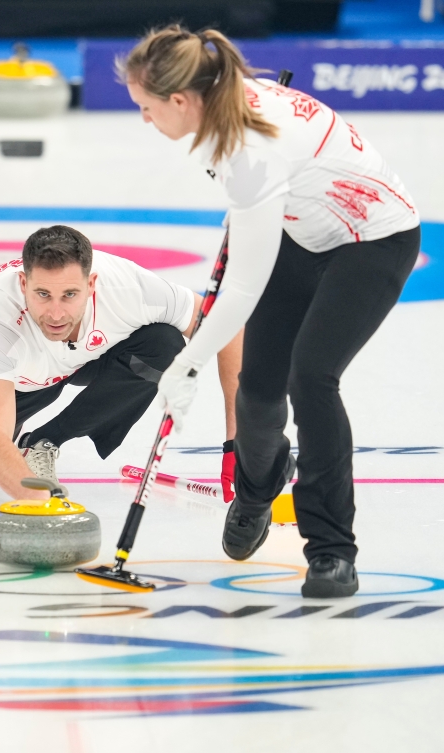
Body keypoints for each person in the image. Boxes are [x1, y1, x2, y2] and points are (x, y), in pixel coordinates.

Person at [121, 26, 420, 598]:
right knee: (258, 393)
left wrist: (188, 362)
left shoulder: (249, 150)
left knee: (310, 378)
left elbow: (243, 286)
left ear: (181, 101)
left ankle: (332, 551)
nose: (144, 119)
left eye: (146, 107)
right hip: (301, 235)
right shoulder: (225, 102)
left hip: (373, 242)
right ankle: (258, 488)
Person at [0, 224, 242, 502]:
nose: (57, 313)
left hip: (83, 359)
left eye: (70, 295)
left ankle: (45, 442)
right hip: (18, 378)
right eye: (43, 295)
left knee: (163, 343)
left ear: (91, 284)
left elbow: (225, 327)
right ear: (23, 283)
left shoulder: (129, 287)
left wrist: (238, 442)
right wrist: (41, 504)